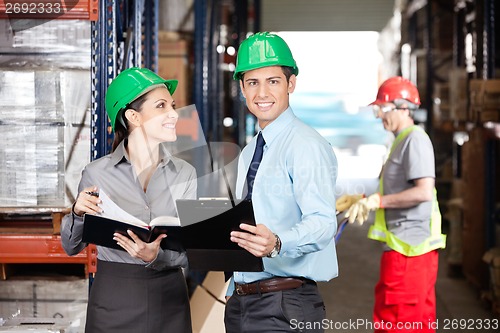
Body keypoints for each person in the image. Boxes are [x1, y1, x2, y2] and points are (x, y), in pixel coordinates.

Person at [61, 67, 196, 333]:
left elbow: (194, 250)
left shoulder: (185, 173)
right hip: (114, 299)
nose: (173, 114)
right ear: (133, 116)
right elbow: (70, 246)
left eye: (172, 105)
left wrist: (158, 256)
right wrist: (77, 213)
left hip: (168, 299)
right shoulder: (97, 174)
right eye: (161, 106)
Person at [224, 32, 339, 333]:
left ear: (291, 84)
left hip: (284, 304)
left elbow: (324, 222)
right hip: (243, 302)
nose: (262, 93)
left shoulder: (305, 144)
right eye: (253, 83)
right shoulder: (251, 151)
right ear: (242, 88)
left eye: (273, 81)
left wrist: (277, 242)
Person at [339, 76, 446, 333]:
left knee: (398, 322)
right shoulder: (400, 141)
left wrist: (378, 201)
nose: (379, 116)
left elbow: (423, 192)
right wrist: (363, 200)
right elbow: (399, 188)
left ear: (403, 107)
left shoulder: (415, 140)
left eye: (383, 109)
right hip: (404, 249)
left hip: (411, 251)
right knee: (412, 321)